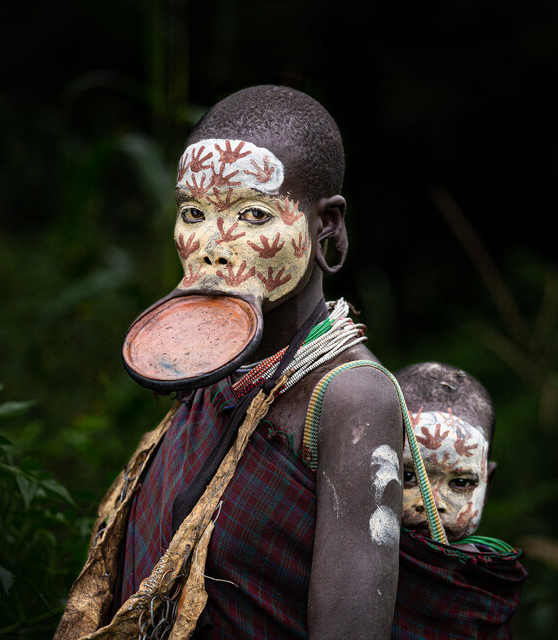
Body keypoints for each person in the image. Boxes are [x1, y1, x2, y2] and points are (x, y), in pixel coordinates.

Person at [55, 85, 405, 640]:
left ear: (328, 227)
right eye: (194, 212)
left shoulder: (352, 398)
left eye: (252, 213)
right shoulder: (207, 371)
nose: (214, 245)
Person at [391, 361, 527, 637]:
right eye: (408, 477)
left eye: (461, 483)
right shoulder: (336, 554)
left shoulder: (489, 583)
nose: (431, 503)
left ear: (486, 486)